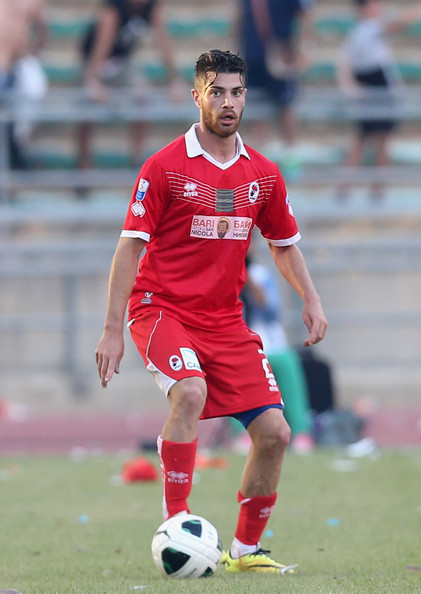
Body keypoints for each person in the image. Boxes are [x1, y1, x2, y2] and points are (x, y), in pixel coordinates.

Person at [95, 49, 327, 574]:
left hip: (225, 320)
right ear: (196, 95)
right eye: (216, 91)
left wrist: (310, 299)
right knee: (191, 392)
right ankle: (176, 522)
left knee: (276, 433)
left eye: (237, 92)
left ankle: (245, 553)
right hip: (160, 309)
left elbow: (284, 244)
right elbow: (130, 246)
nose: (227, 102)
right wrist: (112, 330)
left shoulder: (262, 174)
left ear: (246, 97)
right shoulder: (164, 167)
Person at [78, 0, 183, 171]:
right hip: (94, 61)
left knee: (142, 96)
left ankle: (137, 159)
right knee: (85, 111)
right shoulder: (113, 7)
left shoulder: (151, 7)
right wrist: (93, 80)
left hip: (121, 63)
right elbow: (102, 44)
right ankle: (83, 165)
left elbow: (163, 42)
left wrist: (174, 79)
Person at [336, 0, 421, 202]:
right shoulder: (367, 29)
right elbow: (399, 23)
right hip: (376, 88)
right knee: (369, 141)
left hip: (379, 88)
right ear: (364, 9)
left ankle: (368, 187)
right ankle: (363, 188)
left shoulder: (358, 32)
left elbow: (345, 63)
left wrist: (351, 86)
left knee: (373, 141)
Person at [241, 254, 315, 453]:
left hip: (270, 342)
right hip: (239, 342)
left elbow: (272, 313)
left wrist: (251, 285)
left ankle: (301, 431)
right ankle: (242, 433)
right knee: (235, 373)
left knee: (288, 365)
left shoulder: (260, 275)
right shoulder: (222, 275)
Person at [236, 0, 316, 169]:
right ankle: (259, 158)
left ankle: (291, 156)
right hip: (252, 56)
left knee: (285, 105)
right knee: (257, 109)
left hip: (280, 55)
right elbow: (240, 17)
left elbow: (305, 14)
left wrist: (305, 48)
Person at [0, 0, 47, 169]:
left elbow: (42, 32)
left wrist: (30, 53)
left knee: (15, 122)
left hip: (15, 67)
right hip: (6, 66)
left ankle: (14, 160)